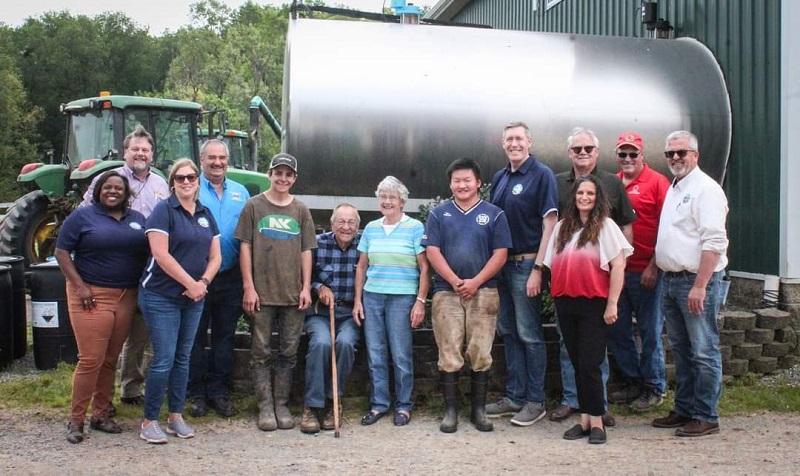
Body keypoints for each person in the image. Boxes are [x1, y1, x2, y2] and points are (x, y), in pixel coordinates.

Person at [550, 127, 636, 425]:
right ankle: (581, 410)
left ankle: (598, 412)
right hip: (566, 300)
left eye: (588, 148)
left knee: (592, 359)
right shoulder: (561, 215)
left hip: (596, 296)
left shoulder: (611, 192)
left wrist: (615, 293)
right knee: (575, 356)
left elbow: (623, 241)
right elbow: (551, 256)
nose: (583, 153)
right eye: (577, 149)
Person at [55, 171, 148, 444]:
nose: (113, 191)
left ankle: (101, 414)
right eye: (107, 187)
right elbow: (62, 252)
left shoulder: (137, 220)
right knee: (91, 359)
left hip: (126, 296)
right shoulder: (83, 217)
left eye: (118, 188)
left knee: (110, 358)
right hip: (91, 295)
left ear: (126, 193)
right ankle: (76, 419)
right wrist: (80, 286)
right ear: (98, 191)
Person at [82, 125, 169, 409]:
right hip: (113, 269)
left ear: (152, 154)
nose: (140, 153)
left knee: (140, 333)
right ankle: (99, 396)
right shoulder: (108, 179)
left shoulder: (159, 184)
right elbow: (84, 217)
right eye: (135, 149)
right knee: (110, 336)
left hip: (148, 268)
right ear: (125, 152)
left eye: (145, 149)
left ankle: (131, 388)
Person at [423, 159, 512, 433]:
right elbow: (432, 251)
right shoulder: (439, 214)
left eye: (467, 180)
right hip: (446, 293)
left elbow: (501, 253)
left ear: (478, 183)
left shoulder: (495, 214)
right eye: (457, 180)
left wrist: (475, 282)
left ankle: (478, 410)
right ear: (450, 184)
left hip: (484, 292)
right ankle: (451, 412)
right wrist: (454, 280)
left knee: (480, 352)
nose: (462, 185)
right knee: (448, 350)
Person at [137, 158, 222, 444]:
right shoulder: (164, 211)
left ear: (199, 181)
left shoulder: (205, 213)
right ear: (172, 182)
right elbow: (161, 255)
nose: (186, 182)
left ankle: (175, 416)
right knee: (164, 358)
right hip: (161, 295)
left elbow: (216, 256)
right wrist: (190, 284)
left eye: (191, 177)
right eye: (181, 178)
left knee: (183, 358)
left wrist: (203, 283)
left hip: (194, 296)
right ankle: (149, 420)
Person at [652, 130, 728, 437]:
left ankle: (706, 414)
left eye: (681, 153)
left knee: (704, 350)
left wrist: (700, 285)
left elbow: (714, 241)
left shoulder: (706, 189)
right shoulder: (676, 187)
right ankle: (684, 409)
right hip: (671, 281)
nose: (674, 159)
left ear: (695, 155)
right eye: (670, 154)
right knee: (681, 350)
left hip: (695, 281)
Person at [235, 153, 316, 432]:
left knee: (289, 351)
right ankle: (265, 406)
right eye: (278, 173)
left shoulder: (301, 210)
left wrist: (306, 286)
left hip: (293, 295)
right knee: (260, 351)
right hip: (262, 294)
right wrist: (248, 286)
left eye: (288, 174)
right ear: (270, 174)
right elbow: (244, 247)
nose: (282, 178)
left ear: (294, 178)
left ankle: (281, 404)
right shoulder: (253, 206)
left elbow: (307, 250)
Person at [485, 122, 558, 427]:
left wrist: (539, 269)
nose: (514, 143)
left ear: (529, 141)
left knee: (529, 333)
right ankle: (514, 395)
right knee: (509, 332)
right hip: (502, 266)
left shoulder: (542, 175)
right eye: (509, 139)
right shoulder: (500, 177)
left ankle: (535, 401)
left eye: (519, 138)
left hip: (527, 265)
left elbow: (550, 224)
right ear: (503, 144)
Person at [353, 176, 430, 427]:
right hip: (372, 296)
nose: (387, 201)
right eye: (383, 196)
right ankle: (379, 405)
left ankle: (404, 405)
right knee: (375, 353)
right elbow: (362, 266)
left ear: (402, 201)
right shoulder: (372, 228)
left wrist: (420, 301)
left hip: (402, 298)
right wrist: (358, 300)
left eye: (392, 197)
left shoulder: (415, 227)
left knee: (400, 354)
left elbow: (425, 268)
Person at [607, 132, 670, 411]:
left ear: (642, 155)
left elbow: (668, 229)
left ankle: (654, 386)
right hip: (618, 271)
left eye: (633, 154)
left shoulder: (657, 183)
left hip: (647, 270)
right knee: (618, 330)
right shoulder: (612, 183)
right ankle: (632, 381)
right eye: (623, 154)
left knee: (650, 330)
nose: (628, 159)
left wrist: (653, 265)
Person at [187, 140, 250, 418]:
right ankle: (196, 394)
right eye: (211, 157)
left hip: (230, 276)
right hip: (197, 276)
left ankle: (220, 392)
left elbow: (247, 236)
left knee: (225, 336)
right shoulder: (191, 187)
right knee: (195, 336)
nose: (217, 162)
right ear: (201, 160)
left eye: (222, 158)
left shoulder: (241, 192)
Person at [299, 203, 363, 434]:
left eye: (351, 222)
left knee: (345, 344)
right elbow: (305, 275)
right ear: (332, 223)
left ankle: (332, 402)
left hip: (349, 312)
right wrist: (319, 286)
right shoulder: (318, 243)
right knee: (321, 343)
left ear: (358, 226)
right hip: (320, 311)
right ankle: (312, 406)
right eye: (341, 222)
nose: (346, 227)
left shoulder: (364, 245)